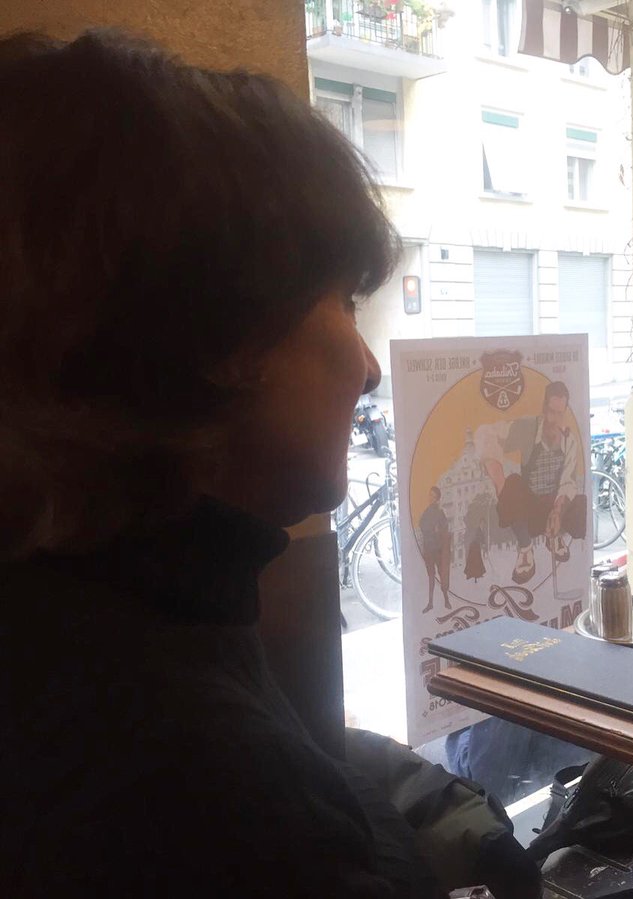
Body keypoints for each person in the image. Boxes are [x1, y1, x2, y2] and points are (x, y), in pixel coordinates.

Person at [0, 30, 538, 898]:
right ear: (219, 333)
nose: (366, 368)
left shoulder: (102, 606)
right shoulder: (179, 774)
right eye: (343, 301)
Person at [474, 380, 587, 584]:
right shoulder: (528, 428)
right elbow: (484, 432)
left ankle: (555, 535)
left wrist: (558, 512)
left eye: (560, 413)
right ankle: (525, 549)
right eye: (552, 412)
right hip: (529, 507)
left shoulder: (569, 441)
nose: (555, 420)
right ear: (544, 408)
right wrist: (497, 475)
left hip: (551, 504)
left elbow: (568, 480)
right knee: (513, 484)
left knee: (580, 502)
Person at [418, 486, 452, 612]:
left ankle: (446, 599)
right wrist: (432, 530)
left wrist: (436, 531)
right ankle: (430, 603)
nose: (430, 498)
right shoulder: (426, 512)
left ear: (437, 498)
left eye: (433, 496)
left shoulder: (440, 513)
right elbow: (422, 525)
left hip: (438, 549)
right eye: (429, 495)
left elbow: (444, 528)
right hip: (429, 549)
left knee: (442, 575)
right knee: (431, 576)